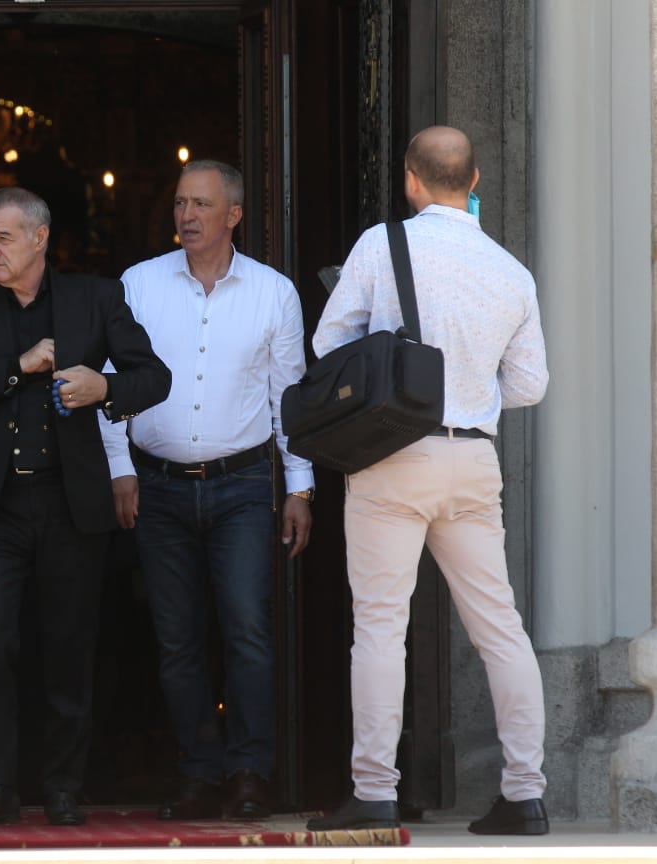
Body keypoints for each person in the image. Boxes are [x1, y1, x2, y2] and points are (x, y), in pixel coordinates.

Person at [305, 126, 549, 835]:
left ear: (411, 180)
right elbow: (530, 384)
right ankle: (525, 795)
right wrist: (469, 389)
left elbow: (327, 343)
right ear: (473, 182)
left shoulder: (382, 246)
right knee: (501, 628)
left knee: (382, 627)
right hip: (472, 459)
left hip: (393, 454)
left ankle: (374, 791)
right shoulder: (511, 271)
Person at [0, 186, 171, 826]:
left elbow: (155, 378)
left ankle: (64, 785)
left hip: (70, 503)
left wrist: (103, 387)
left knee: (69, 645)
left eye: (3, 238)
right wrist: (18, 366)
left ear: (40, 237)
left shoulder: (96, 298)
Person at [101, 159, 313, 821]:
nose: (187, 216)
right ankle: (198, 772)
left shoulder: (273, 293)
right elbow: (112, 382)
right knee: (177, 639)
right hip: (157, 486)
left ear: (234, 215)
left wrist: (300, 487)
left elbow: (289, 398)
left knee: (247, 628)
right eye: (180, 203)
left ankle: (249, 772)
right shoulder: (139, 284)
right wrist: (120, 468)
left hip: (242, 485)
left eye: (201, 204)